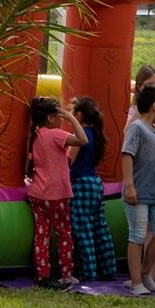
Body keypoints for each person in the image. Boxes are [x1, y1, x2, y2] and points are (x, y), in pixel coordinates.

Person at [25, 96, 85, 285]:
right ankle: (66, 274)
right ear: (51, 118)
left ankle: (43, 274)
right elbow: (83, 140)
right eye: (58, 115)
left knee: (41, 234)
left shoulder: (35, 136)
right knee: (64, 233)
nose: (61, 119)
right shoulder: (56, 134)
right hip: (56, 194)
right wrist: (71, 118)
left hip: (37, 193)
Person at [120, 84, 155, 295]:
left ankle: (144, 272)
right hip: (139, 192)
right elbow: (127, 154)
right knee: (138, 235)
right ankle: (135, 282)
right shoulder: (137, 128)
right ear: (154, 106)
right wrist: (129, 185)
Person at [68, 96, 118, 281]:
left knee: (83, 228)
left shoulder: (80, 136)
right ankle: (109, 267)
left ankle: (89, 271)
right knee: (100, 227)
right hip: (95, 183)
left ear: (78, 115)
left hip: (80, 183)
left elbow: (70, 161)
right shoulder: (97, 134)